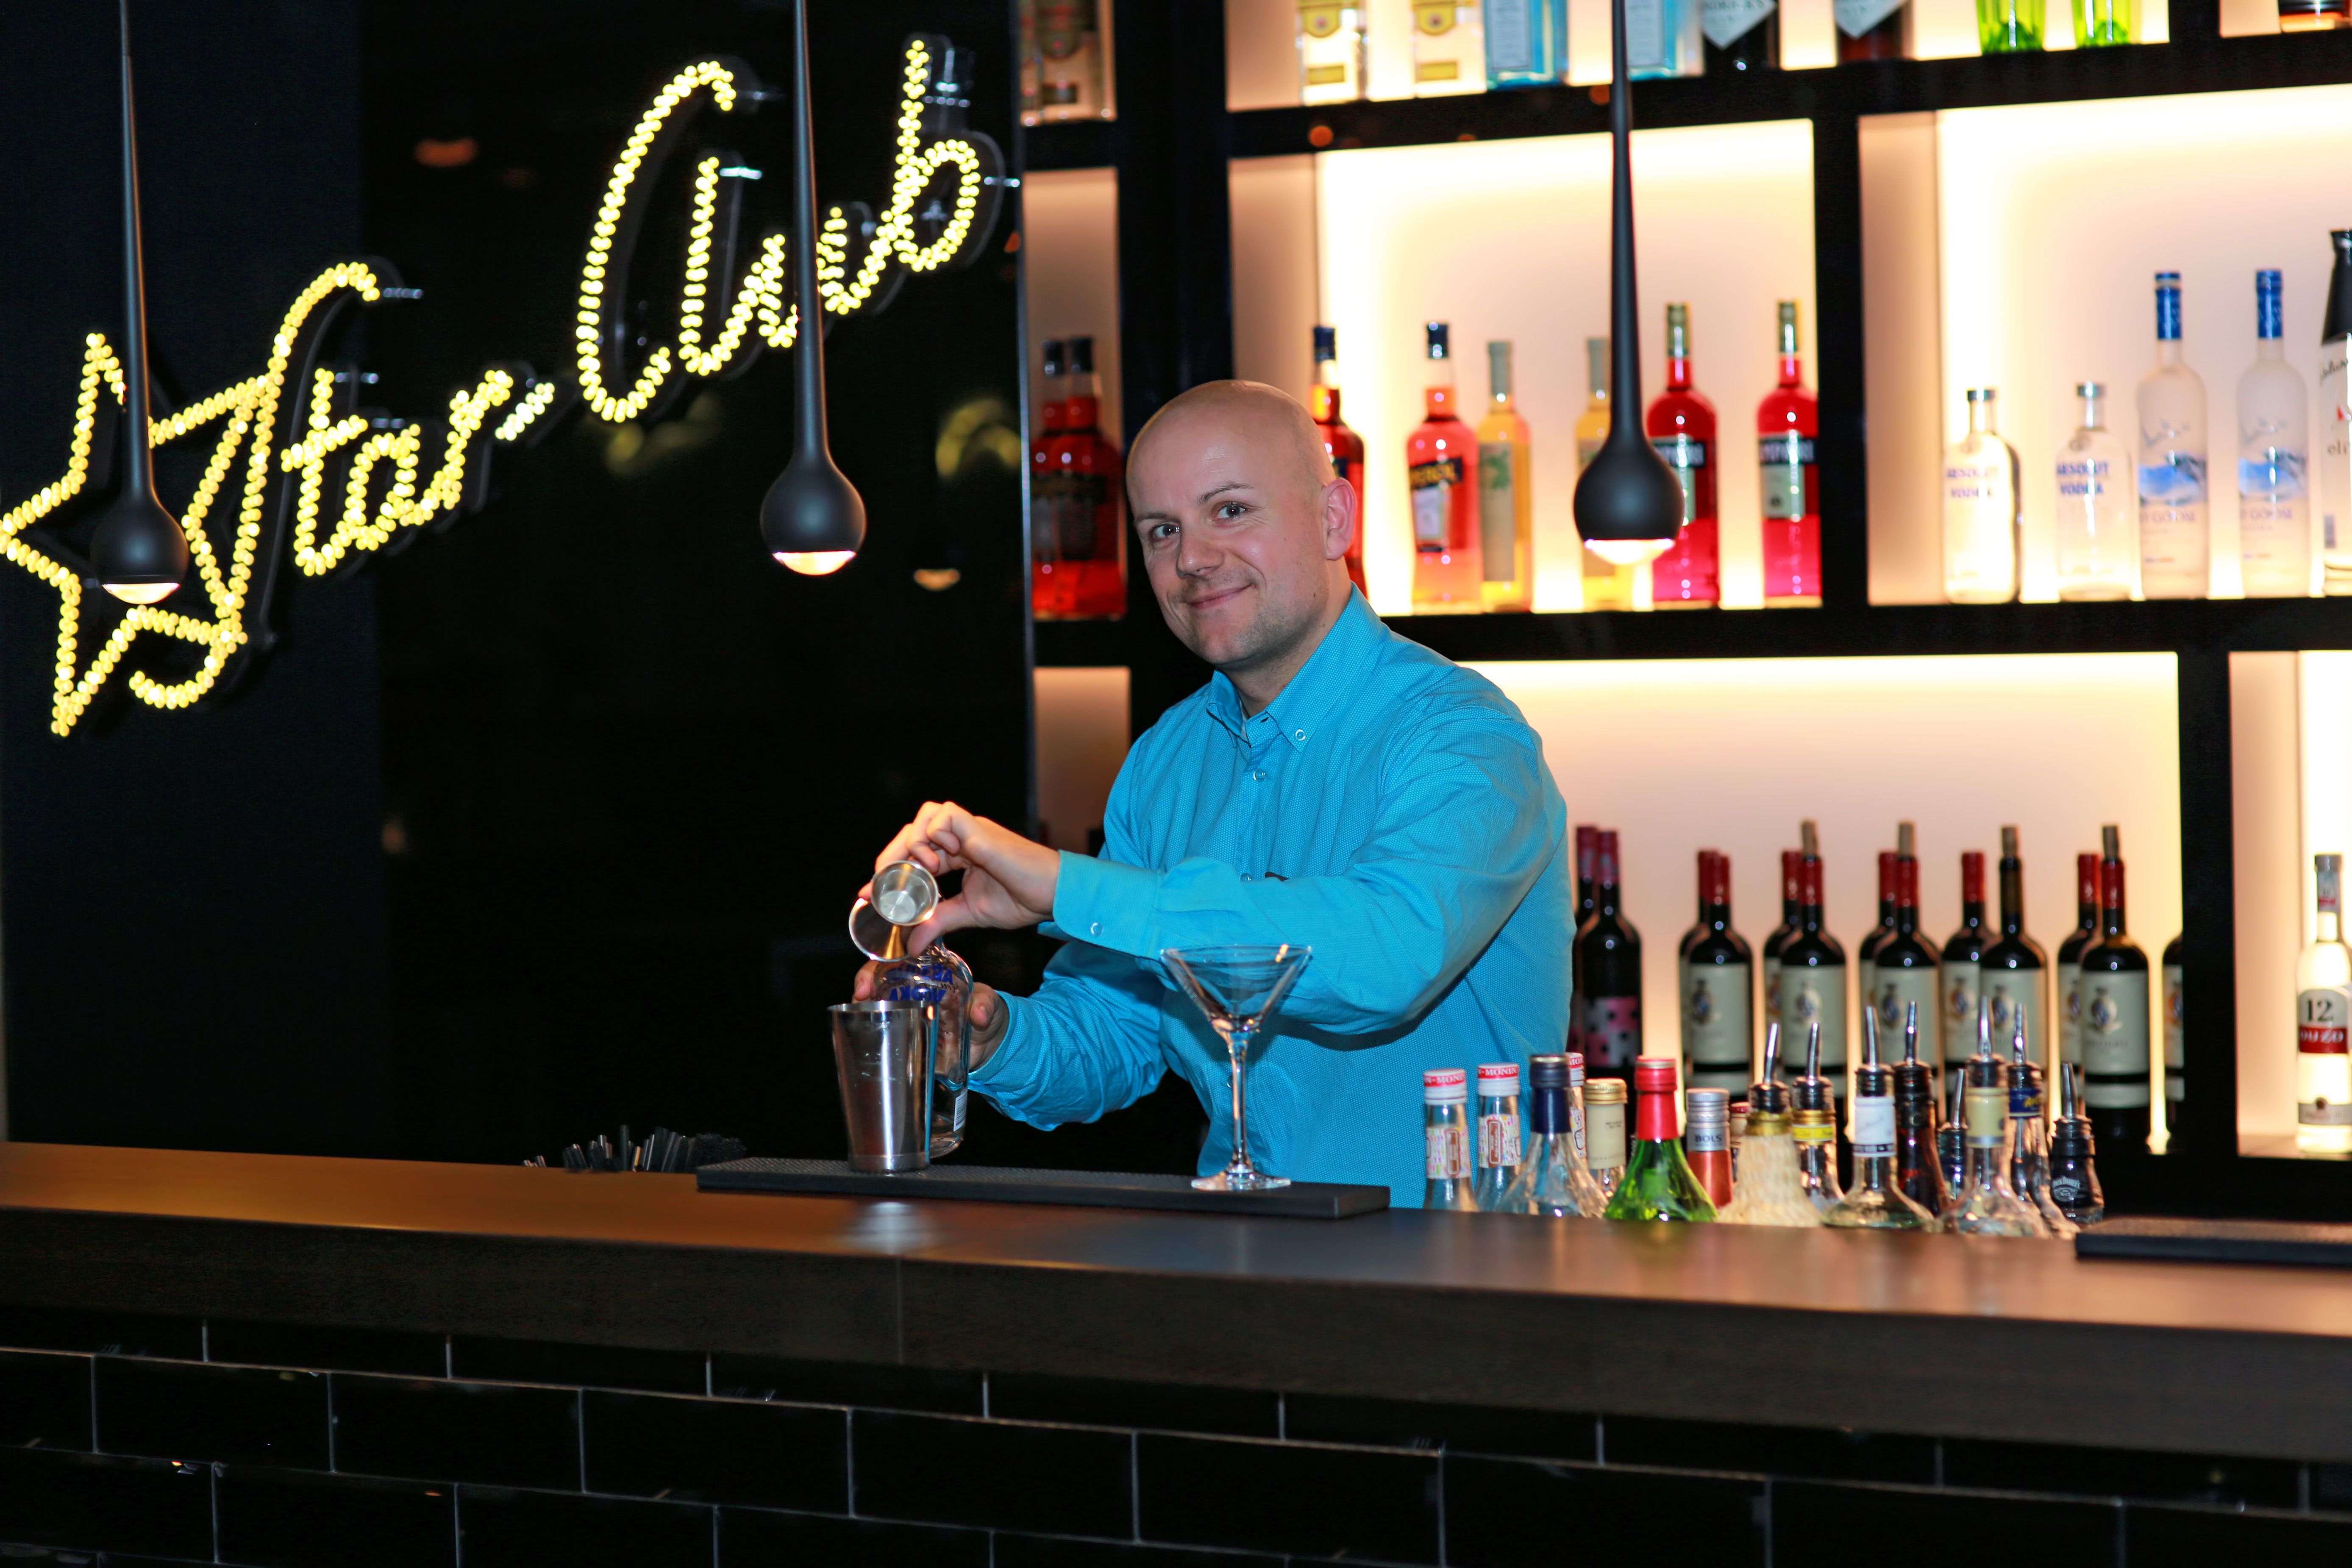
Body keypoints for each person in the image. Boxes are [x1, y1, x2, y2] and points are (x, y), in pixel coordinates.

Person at [856, 380, 1570, 1202]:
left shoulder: (1465, 735)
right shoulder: (1165, 762)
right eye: (1163, 531)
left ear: (1336, 518)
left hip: (1460, 1269)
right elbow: (1113, 1037)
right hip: (1240, 1263)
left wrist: (1064, 884)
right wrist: (986, 1035)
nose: (1191, 558)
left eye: (1229, 510)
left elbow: (1385, 958)